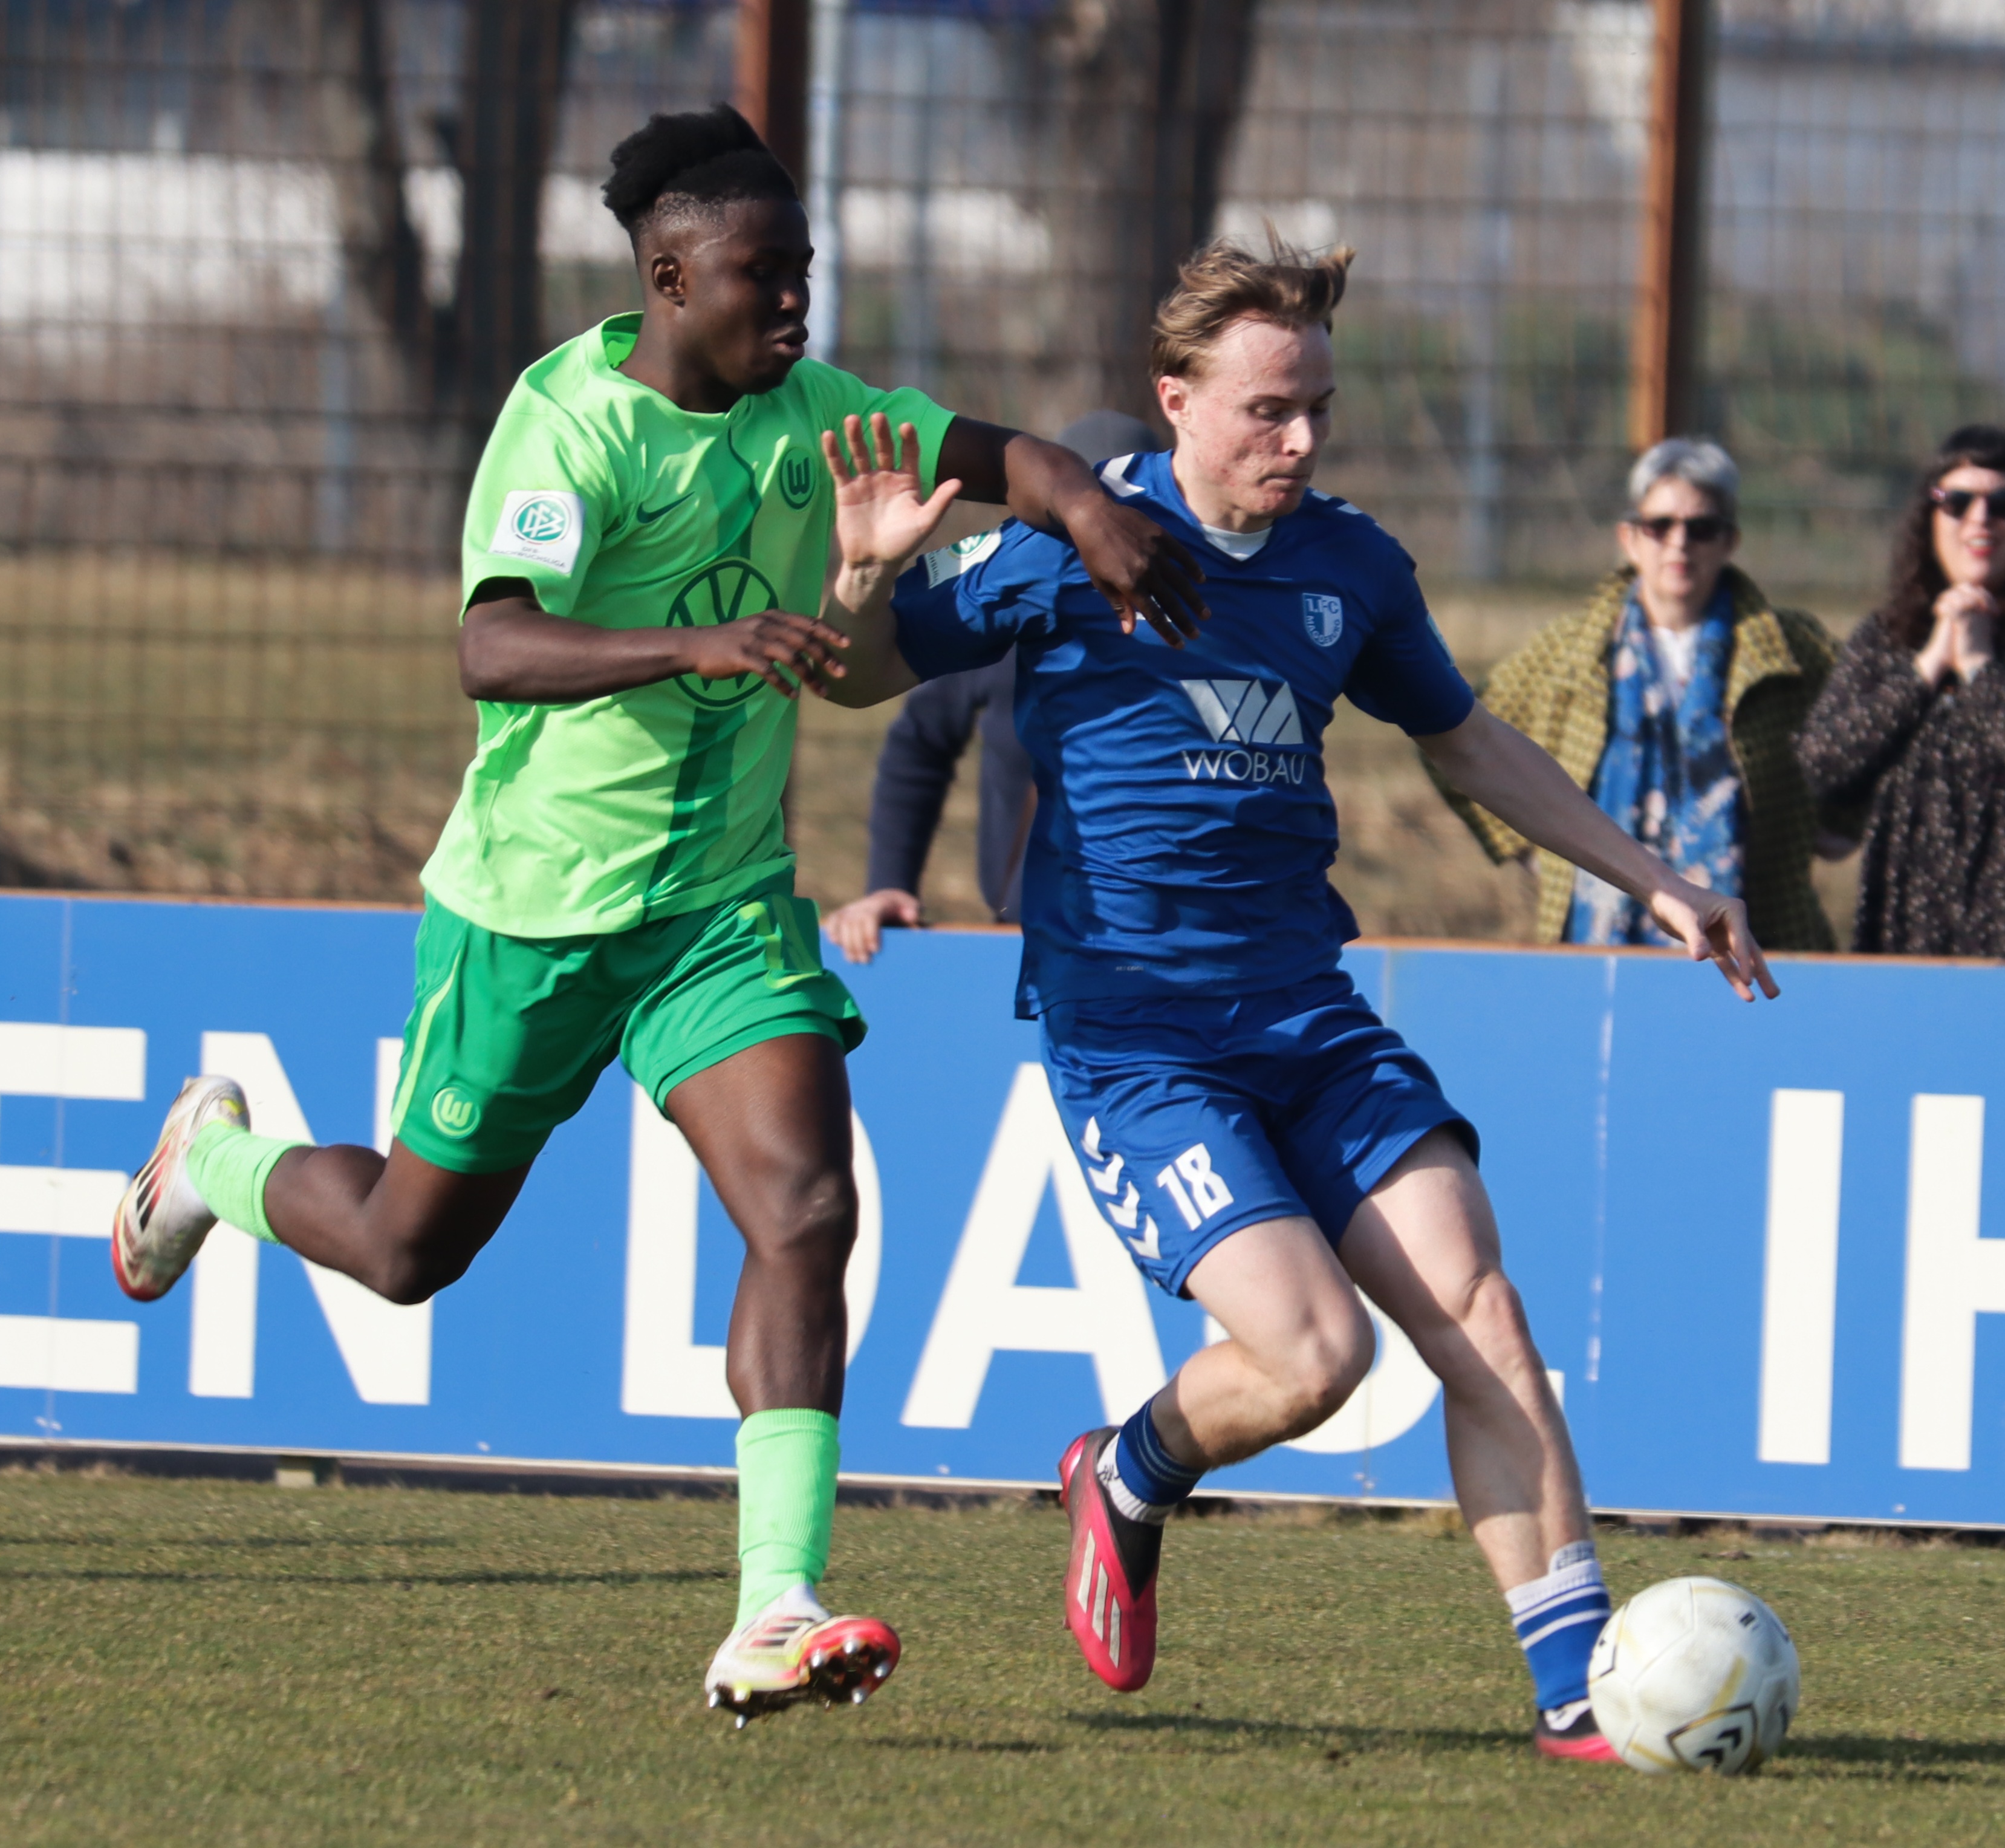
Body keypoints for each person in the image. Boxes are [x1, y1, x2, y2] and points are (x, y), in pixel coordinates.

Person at [105, 103, 1205, 1726]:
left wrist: (1090, 515)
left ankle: (777, 1604)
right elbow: (493, 649)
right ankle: (214, 1160)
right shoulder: (569, 424)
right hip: (532, 913)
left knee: (807, 1208)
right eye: (763, 280)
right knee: (411, 1252)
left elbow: (1003, 453)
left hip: (715, 914)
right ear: (670, 278)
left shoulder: (820, 415)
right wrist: (695, 646)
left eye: (806, 274)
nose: (795, 306)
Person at [813, 239, 1775, 1760]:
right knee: (1312, 1357)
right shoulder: (1070, 540)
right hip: (1135, 1042)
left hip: (1306, 1016)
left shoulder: (1349, 565)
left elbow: (1464, 741)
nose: (1300, 439)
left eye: (1318, 405)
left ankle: (1575, 1684)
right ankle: (1126, 1471)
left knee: (1480, 1309)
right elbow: (856, 679)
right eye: (1268, 409)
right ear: (1174, 399)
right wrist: (864, 574)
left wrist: (1650, 874)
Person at [1435, 438, 1847, 950]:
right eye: (1660, 526)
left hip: (1755, 936)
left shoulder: (1790, 650)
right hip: (1596, 939)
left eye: (1700, 529)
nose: (1679, 544)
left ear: (1729, 541)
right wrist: (1531, 846)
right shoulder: (1569, 652)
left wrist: (1840, 826)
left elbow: (1864, 732)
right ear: (1629, 538)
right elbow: (1451, 734)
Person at [823, 409, 1161, 961]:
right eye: (1083, 517)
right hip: (1025, 935)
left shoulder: (1198, 621)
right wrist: (889, 883)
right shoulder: (1006, 618)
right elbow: (918, 741)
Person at [1795, 424, 2005, 959]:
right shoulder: (1887, 639)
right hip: (1909, 944)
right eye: (1957, 501)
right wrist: (1926, 670)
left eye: (2004, 504)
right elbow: (1822, 767)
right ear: (1929, 517)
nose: (1980, 519)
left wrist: (1977, 665)